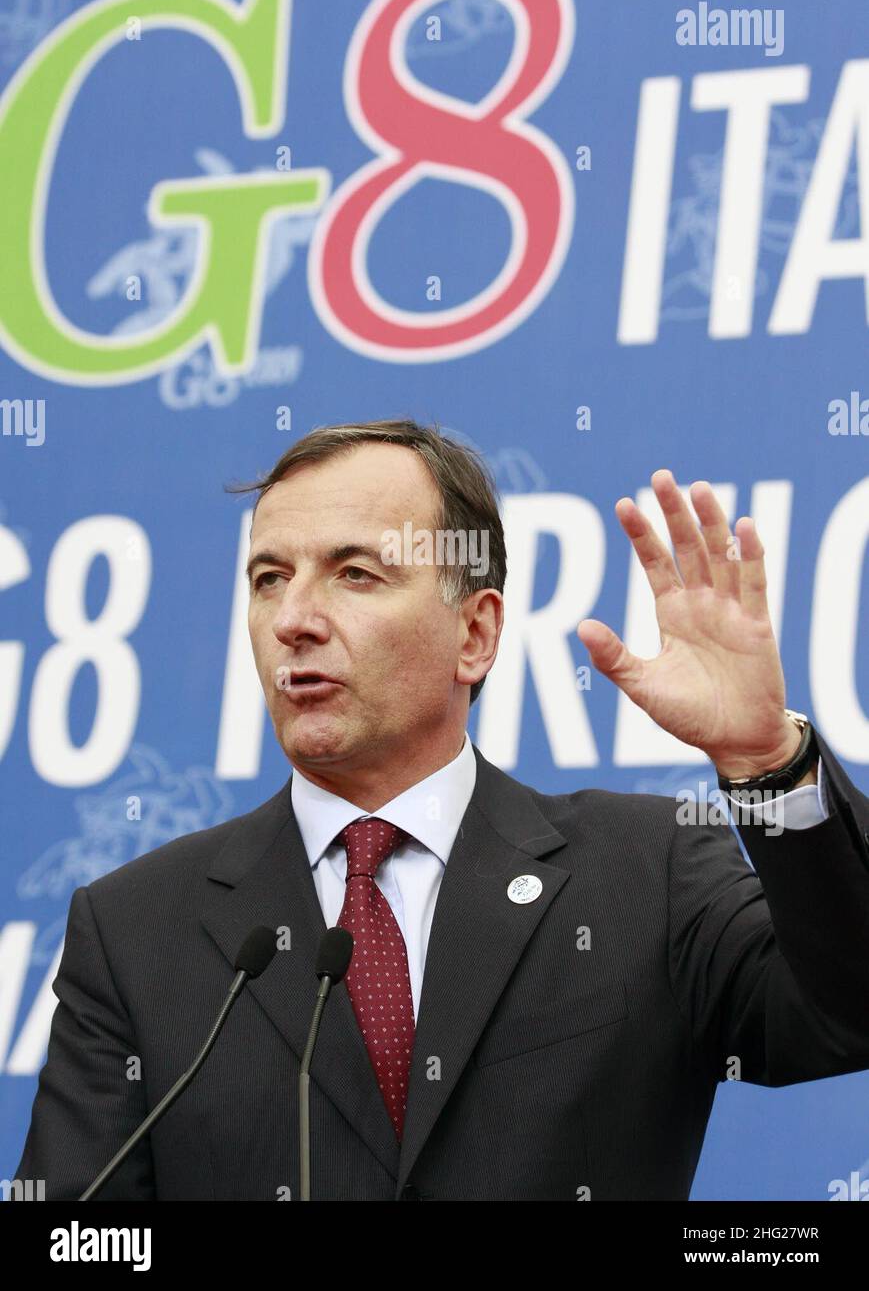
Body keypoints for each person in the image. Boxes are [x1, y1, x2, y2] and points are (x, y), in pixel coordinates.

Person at [13, 418, 869, 1200]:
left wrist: (767, 764)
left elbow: (847, 1015)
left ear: (475, 634)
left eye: (354, 574)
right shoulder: (135, 931)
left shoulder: (645, 870)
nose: (295, 620)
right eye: (269, 578)